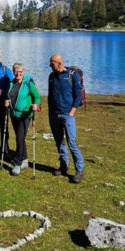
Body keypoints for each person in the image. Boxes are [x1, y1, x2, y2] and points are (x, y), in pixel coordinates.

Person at [48, 53, 84, 184]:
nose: (50, 66)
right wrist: (50, 113)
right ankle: (63, 166)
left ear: (59, 63)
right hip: (54, 114)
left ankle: (79, 170)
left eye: (51, 64)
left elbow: (78, 94)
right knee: (59, 142)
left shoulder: (72, 75)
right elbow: (50, 95)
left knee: (71, 143)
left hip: (67, 115)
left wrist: (72, 111)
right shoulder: (51, 76)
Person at [5, 63, 41, 176]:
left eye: (20, 71)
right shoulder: (11, 83)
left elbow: (37, 97)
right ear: (13, 72)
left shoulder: (28, 83)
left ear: (23, 72)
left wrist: (36, 104)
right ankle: (24, 160)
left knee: (20, 138)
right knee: (20, 137)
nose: (18, 73)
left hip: (25, 115)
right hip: (14, 114)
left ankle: (17, 163)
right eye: (16, 71)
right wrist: (6, 101)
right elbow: (9, 96)